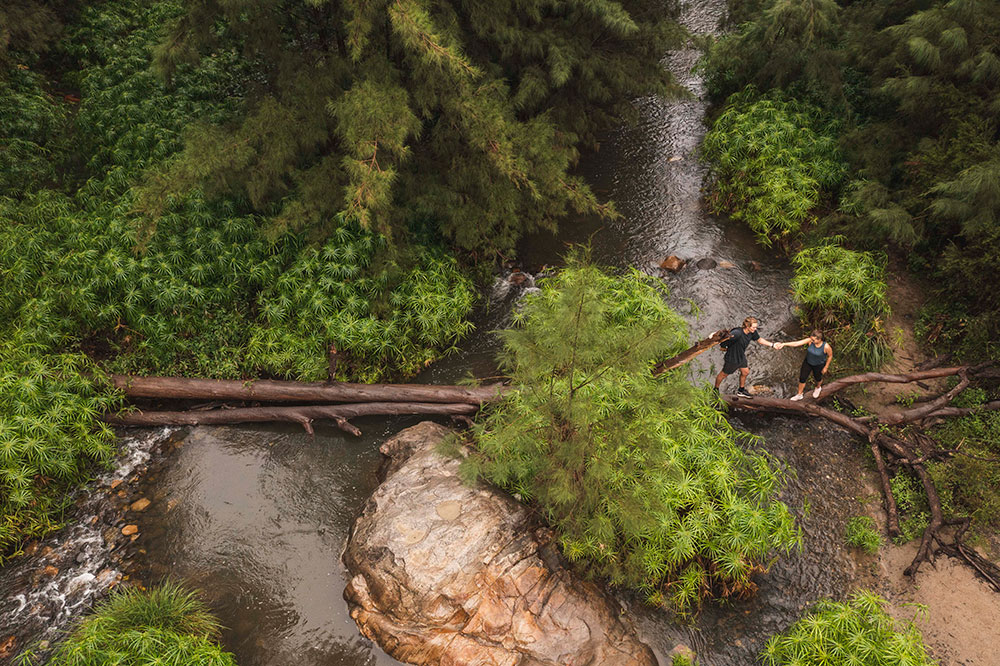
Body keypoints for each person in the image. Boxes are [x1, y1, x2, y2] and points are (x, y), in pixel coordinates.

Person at [714, 316, 779, 398]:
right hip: (732, 358)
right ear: (747, 326)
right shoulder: (737, 333)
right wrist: (722, 345)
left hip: (741, 356)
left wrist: (772, 345)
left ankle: (741, 391)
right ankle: (715, 389)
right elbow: (723, 337)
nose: (755, 329)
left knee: (745, 372)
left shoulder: (752, 332)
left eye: (756, 327)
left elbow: (759, 340)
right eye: (753, 327)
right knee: (723, 374)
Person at [775, 329, 833, 401]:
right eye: (811, 338)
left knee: (818, 378)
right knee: (802, 378)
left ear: (820, 339)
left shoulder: (826, 346)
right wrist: (784, 344)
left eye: (814, 340)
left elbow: (830, 356)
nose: (812, 341)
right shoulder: (810, 340)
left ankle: (818, 387)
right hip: (808, 362)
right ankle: (799, 394)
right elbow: (797, 343)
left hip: (819, 364)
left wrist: (826, 367)